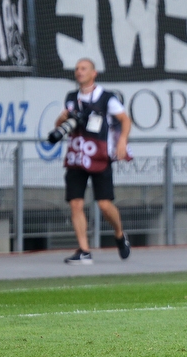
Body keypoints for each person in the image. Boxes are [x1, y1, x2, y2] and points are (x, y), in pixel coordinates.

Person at [54, 58, 132, 265]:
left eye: (84, 68)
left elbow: (125, 119)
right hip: (77, 156)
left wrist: (122, 141)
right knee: (75, 203)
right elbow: (59, 125)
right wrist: (62, 118)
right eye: (77, 68)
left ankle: (119, 234)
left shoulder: (106, 98)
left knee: (105, 204)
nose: (79, 72)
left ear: (94, 73)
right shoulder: (71, 98)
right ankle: (84, 250)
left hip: (99, 155)